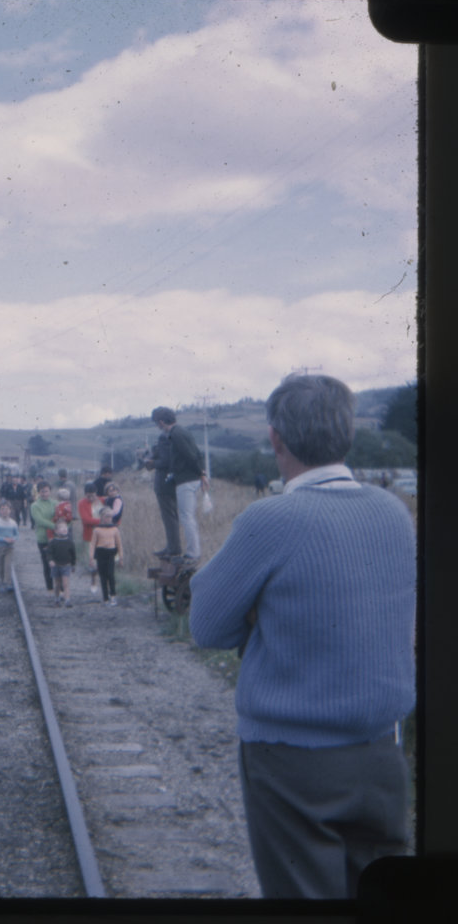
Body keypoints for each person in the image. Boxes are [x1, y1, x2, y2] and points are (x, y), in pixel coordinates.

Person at [189, 374, 416, 900]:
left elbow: (206, 626)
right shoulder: (393, 512)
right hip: (382, 754)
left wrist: (258, 616)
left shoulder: (270, 519)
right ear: (348, 433)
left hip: (293, 762)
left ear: (276, 439)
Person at [152, 406, 207, 561]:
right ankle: (193, 551)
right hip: (190, 478)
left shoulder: (175, 434)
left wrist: (201, 473)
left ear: (161, 422)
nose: (158, 426)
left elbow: (190, 455)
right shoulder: (183, 431)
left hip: (186, 480)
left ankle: (193, 553)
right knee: (187, 516)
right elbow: (197, 453)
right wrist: (202, 472)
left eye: (157, 423)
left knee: (186, 517)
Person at [145, 428, 182, 559]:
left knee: (169, 518)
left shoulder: (164, 438)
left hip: (164, 484)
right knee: (171, 517)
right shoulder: (175, 438)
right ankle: (172, 546)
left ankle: (173, 548)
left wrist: (152, 462)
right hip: (172, 483)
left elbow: (166, 461)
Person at [89, 506, 125, 606]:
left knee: (111, 575)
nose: (109, 519)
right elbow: (92, 544)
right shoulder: (97, 530)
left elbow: (119, 544)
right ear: (102, 517)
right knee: (103, 576)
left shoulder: (114, 529)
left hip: (110, 553)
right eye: (107, 516)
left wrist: (121, 557)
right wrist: (91, 557)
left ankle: (113, 595)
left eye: (110, 516)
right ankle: (105, 597)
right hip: (101, 553)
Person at [78, 483, 104, 597]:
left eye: (93, 495)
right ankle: (94, 580)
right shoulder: (82, 503)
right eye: (88, 496)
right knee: (92, 560)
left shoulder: (102, 501)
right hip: (90, 535)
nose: (91, 498)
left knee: (103, 559)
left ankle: (104, 581)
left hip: (104, 535)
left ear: (96, 493)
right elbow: (86, 520)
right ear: (85, 495)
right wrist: (102, 521)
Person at [30, 481, 56, 593]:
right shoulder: (35, 506)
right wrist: (55, 526)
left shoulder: (55, 503)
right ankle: (50, 587)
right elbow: (39, 520)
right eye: (42, 492)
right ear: (38, 492)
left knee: (59, 562)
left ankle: (61, 588)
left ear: (50, 491)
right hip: (43, 537)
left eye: (46, 491)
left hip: (56, 537)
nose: (44, 494)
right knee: (47, 563)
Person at [0, 500, 18, 592]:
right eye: (2, 509)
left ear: (10, 510)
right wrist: (4, 539)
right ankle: (3, 581)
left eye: (6, 509)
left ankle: (7, 583)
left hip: (10, 547)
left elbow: (17, 535)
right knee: (1, 567)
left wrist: (13, 539)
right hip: (0, 548)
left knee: (8, 565)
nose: (4, 511)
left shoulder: (13, 523)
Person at [47, 519, 76, 607]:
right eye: (61, 528)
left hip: (66, 565)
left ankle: (67, 600)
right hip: (56, 565)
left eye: (65, 527)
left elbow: (73, 554)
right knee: (57, 584)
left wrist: (73, 564)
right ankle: (57, 599)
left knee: (65, 583)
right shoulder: (53, 542)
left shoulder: (70, 542)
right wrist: (51, 560)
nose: (64, 529)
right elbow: (49, 553)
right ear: (56, 531)